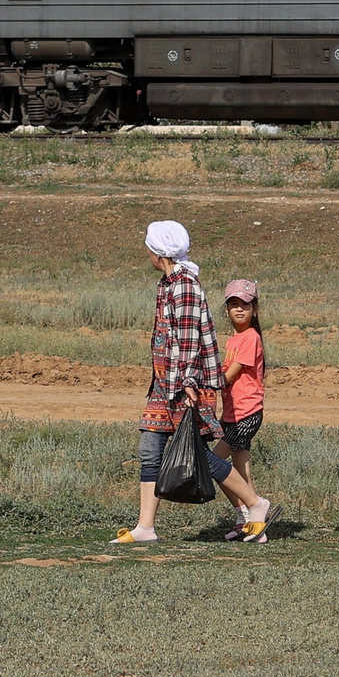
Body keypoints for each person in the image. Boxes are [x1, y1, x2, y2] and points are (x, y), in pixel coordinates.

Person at [117, 220, 272, 545]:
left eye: (148, 245)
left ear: (158, 250)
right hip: (164, 383)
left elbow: (189, 339)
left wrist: (188, 384)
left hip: (185, 384)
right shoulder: (168, 282)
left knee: (200, 453)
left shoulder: (184, 285)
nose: (146, 251)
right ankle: (146, 527)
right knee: (150, 448)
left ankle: (255, 504)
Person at [216, 278, 275, 540]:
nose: (239, 309)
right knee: (241, 473)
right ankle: (255, 527)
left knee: (214, 464)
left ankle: (247, 511)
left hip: (246, 413)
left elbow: (228, 376)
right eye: (233, 304)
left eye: (245, 305)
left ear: (255, 310)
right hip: (232, 414)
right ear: (226, 309)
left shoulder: (250, 338)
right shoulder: (235, 339)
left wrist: (204, 382)